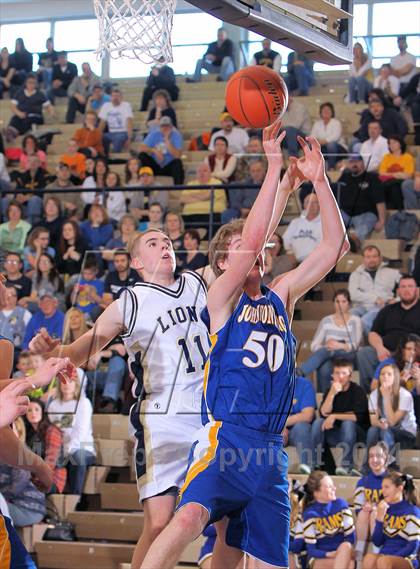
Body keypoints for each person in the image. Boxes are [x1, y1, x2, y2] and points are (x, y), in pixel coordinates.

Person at [139, 130, 350, 569]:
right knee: (188, 517)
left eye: (257, 248)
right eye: (239, 248)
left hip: (270, 450)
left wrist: (320, 180)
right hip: (227, 434)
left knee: (243, 557)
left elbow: (335, 247)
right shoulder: (220, 298)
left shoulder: (282, 295)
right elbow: (254, 236)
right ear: (222, 263)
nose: (254, 250)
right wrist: (275, 170)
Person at [29, 229, 211, 568]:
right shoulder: (128, 302)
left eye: (168, 242)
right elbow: (79, 353)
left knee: (221, 518)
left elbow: (246, 249)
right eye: (154, 243)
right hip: (162, 418)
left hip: (208, 415)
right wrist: (54, 350)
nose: (165, 245)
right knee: (158, 523)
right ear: (138, 262)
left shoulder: (199, 282)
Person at [357, 275, 420, 392]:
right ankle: (370, 395)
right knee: (364, 353)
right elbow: (373, 333)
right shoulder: (387, 310)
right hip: (387, 352)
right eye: (403, 286)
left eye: (410, 286)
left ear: (416, 289)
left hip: (412, 354)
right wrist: (379, 348)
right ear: (398, 291)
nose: (407, 290)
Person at [311, 358, 369, 475]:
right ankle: (314, 463)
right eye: (337, 373)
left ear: (350, 376)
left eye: (344, 373)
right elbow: (323, 413)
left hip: (357, 435)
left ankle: (346, 466)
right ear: (333, 375)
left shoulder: (358, 391)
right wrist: (332, 394)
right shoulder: (330, 390)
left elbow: (357, 417)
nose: (340, 377)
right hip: (338, 435)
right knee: (318, 423)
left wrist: (334, 416)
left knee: (348, 424)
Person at [300, 290, 363, 393]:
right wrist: (328, 347)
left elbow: (355, 345)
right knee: (324, 368)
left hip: (349, 356)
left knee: (331, 350)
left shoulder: (355, 320)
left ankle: (300, 372)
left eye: (344, 301)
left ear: (349, 304)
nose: (340, 305)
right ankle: (325, 399)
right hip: (329, 356)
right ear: (333, 303)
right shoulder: (326, 321)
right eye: (337, 301)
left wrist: (339, 345)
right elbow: (314, 346)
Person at [47, 377, 96, 494]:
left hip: (82, 448)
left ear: (76, 384)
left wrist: (68, 451)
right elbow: (55, 430)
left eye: (70, 382)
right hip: (60, 449)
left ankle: (75, 498)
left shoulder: (83, 403)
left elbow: (80, 431)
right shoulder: (53, 405)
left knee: (77, 456)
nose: (66, 385)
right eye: (63, 381)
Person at [362, 471, 419, 569]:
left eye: (387, 487)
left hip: (407, 560)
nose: (382, 491)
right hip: (384, 558)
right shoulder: (385, 509)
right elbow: (377, 542)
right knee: (369, 558)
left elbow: (413, 546)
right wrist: (379, 518)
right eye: (382, 487)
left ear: (400, 488)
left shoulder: (413, 511)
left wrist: (390, 557)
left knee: (384, 561)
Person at [302, 471, 355, 569]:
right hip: (321, 557)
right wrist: (329, 554)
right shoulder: (310, 514)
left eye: (333, 485)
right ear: (317, 492)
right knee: (349, 565)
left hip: (343, 552)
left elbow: (350, 538)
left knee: (346, 546)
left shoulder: (341, 505)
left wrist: (339, 554)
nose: (334, 488)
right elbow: (311, 550)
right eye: (329, 486)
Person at [349, 245, 400, 334]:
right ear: (363, 259)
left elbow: (408, 286)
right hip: (361, 307)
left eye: (374, 256)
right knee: (349, 317)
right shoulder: (356, 274)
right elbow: (352, 294)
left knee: (364, 321)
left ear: (380, 258)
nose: (371, 259)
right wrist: (374, 299)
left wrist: (397, 300)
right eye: (368, 257)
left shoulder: (392, 273)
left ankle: (371, 344)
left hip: (382, 306)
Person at [335, 155, 386, 244]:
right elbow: (335, 195)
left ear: (363, 163)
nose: (354, 164)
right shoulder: (345, 176)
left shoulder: (372, 177)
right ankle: (335, 242)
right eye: (351, 162)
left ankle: (354, 241)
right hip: (345, 213)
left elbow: (380, 200)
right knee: (332, 219)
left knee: (365, 224)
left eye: (357, 162)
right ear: (348, 165)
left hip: (365, 213)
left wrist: (382, 220)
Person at [366, 364, 417, 451]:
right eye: (382, 374)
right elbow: (373, 420)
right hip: (386, 430)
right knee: (372, 430)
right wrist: (380, 424)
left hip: (407, 435)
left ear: (395, 377)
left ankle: (390, 463)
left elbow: (392, 422)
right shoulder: (373, 395)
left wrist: (386, 397)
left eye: (389, 374)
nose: (385, 376)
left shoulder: (405, 395)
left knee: (386, 431)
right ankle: (370, 461)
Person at [354, 442, 390, 562]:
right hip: (367, 521)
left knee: (375, 513)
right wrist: (365, 507)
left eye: (379, 456)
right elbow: (357, 508)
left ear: (385, 457)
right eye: (371, 456)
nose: (374, 459)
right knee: (364, 513)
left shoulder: (392, 479)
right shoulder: (363, 481)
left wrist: (376, 507)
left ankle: (376, 553)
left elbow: (398, 504)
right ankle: (359, 557)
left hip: (390, 519)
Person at [25, 398, 66, 493]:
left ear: (43, 412)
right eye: (29, 410)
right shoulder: (29, 433)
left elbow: (51, 459)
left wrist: (36, 478)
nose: (33, 413)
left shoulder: (52, 430)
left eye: (36, 409)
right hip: (33, 476)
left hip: (52, 478)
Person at [283, 374, 316, 475]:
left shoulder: (304, 384)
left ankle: (307, 470)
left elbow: (307, 415)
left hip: (299, 432)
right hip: (280, 432)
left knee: (301, 427)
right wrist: (279, 429)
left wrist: (282, 424)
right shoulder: (270, 385)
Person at [6, 73, 54, 140]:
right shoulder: (20, 93)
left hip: (35, 116)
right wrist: (19, 113)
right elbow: (12, 105)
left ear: (36, 84)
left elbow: (48, 105)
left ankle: (16, 133)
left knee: (28, 120)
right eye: (29, 82)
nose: (31, 84)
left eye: (33, 83)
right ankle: (10, 132)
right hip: (21, 114)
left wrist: (51, 114)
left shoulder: (40, 94)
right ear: (26, 83)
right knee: (15, 118)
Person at [138, 116, 184, 184]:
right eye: (163, 126)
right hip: (155, 166)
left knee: (178, 163)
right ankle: (144, 183)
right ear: (159, 127)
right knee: (142, 156)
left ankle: (177, 188)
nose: (165, 128)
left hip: (169, 166)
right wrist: (154, 150)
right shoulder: (154, 134)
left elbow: (177, 155)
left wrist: (167, 141)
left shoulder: (177, 136)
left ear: (171, 127)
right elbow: (141, 148)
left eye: (167, 126)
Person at [181, 162, 225, 229]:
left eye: (205, 171)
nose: (202, 173)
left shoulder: (216, 182)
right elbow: (182, 199)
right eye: (199, 171)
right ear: (196, 173)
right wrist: (203, 196)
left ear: (210, 173)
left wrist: (191, 195)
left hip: (211, 215)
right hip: (189, 215)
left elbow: (208, 195)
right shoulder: (190, 184)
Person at [282, 192, 322, 263]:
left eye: (314, 202)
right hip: (292, 260)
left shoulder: (323, 224)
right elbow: (285, 241)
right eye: (308, 202)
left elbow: (321, 247)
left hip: (312, 262)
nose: (311, 205)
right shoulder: (295, 222)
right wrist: (290, 253)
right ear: (304, 205)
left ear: (320, 205)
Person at [379, 136, 415, 210]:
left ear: (400, 144)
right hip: (388, 182)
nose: (391, 145)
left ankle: (399, 211)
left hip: (401, 182)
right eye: (389, 143)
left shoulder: (407, 157)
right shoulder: (386, 157)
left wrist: (390, 175)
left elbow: (408, 175)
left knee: (394, 186)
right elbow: (381, 173)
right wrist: (397, 174)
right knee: (388, 185)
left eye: (394, 142)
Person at [310, 103, 347, 169]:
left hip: (338, 148)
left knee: (331, 145)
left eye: (328, 110)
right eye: (324, 110)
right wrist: (318, 142)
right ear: (320, 112)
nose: (326, 112)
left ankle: (331, 167)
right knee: (311, 146)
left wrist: (324, 141)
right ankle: (314, 169)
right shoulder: (317, 124)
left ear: (332, 112)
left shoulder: (336, 122)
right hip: (323, 147)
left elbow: (336, 136)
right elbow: (312, 137)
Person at [99, 88, 133, 154]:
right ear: (110, 97)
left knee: (118, 138)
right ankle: (105, 156)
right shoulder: (106, 106)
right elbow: (102, 123)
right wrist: (97, 135)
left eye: (117, 96)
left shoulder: (126, 105)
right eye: (113, 96)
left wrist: (129, 138)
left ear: (121, 97)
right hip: (111, 133)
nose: (115, 98)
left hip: (123, 132)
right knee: (100, 137)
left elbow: (129, 122)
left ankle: (116, 155)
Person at [0, 285, 31, 350]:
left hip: (15, 350)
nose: (8, 297)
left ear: (16, 298)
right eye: (5, 294)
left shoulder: (24, 313)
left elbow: (32, 333)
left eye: (11, 295)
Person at [400, 72, 420, 145]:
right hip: (416, 104)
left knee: (414, 101)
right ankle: (417, 126)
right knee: (414, 103)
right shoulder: (417, 77)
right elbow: (407, 90)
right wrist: (398, 97)